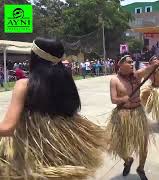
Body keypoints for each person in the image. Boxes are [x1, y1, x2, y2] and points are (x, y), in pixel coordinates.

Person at [0, 38, 107, 179]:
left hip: (35, 152)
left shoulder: (24, 85)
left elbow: (7, 128)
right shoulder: (66, 81)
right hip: (64, 149)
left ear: (35, 56)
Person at [106, 54, 159, 180]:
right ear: (120, 64)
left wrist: (154, 65)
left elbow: (146, 70)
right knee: (116, 145)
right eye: (129, 62)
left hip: (138, 114)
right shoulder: (114, 80)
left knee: (143, 146)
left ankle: (141, 168)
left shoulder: (136, 76)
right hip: (122, 115)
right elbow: (113, 99)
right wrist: (122, 99)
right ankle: (128, 160)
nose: (132, 64)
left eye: (132, 62)